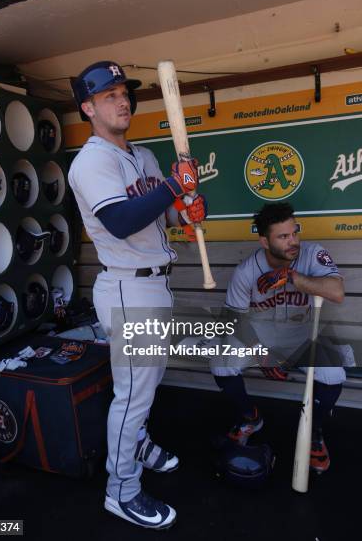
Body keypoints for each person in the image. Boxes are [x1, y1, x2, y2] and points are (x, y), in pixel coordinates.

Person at [68, 61, 207, 529]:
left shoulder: (143, 157)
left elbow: (158, 220)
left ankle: (139, 444)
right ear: (88, 107)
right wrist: (173, 185)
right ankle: (121, 490)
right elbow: (121, 221)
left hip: (155, 282)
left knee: (143, 388)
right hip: (127, 287)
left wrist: (185, 213)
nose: (122, 99)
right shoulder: (90, 161)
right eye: (108, 95)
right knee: (132, 398)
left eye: (123, 92)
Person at [210, 202, 345, 473]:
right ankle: (250, 417)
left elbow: (336, 291)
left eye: (294, 232)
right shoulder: (246, 271)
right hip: (260, 335)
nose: (292, 241)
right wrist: (261, 353)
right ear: (264, 241)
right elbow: (234, 320)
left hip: (302, 334)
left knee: (333, 374)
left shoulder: (312, 254)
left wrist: (292, 276)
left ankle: (314, 431)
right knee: (220, 361)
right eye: (283, 237)